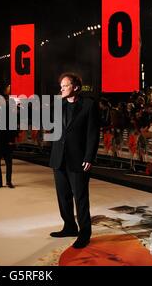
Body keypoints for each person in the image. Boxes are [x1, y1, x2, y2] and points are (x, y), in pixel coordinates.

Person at [49, 73, 100, 249]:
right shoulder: (58, 104)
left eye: (65, 86)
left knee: (80, 197)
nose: (61, 89)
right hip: (58, 157)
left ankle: (84, 233)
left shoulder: (89, 105)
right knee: (63, 197)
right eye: (61, 86)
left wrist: (89, 156)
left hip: (78, 158)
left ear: (76, 87)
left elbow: (93, 133)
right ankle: (69, 226)